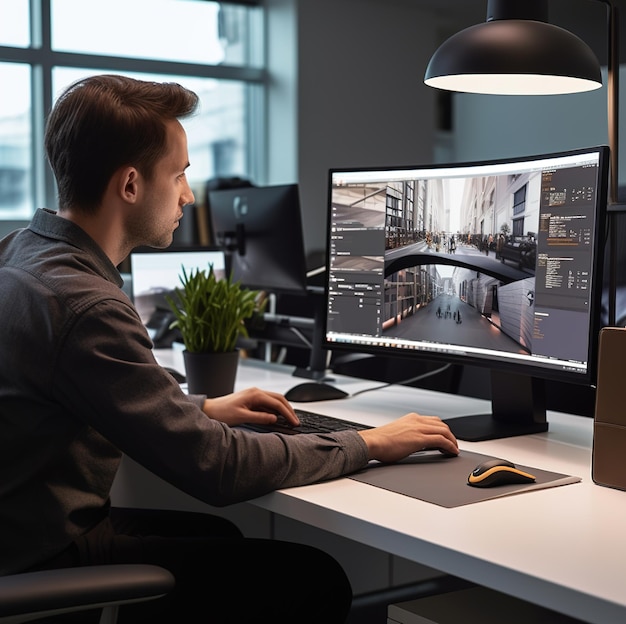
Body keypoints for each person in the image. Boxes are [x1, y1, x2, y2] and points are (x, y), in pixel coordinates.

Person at [0, 75, 458, 623]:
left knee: (217, 537)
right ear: (129, 186)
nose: (189, 195)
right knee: (312, 580)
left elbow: (77, 393)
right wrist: (368, 443)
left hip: (22, 537)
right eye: (179, 175)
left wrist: (200, 408)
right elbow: (218, 468)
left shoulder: (19, 255)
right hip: (49, 557)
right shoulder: (87, 306)